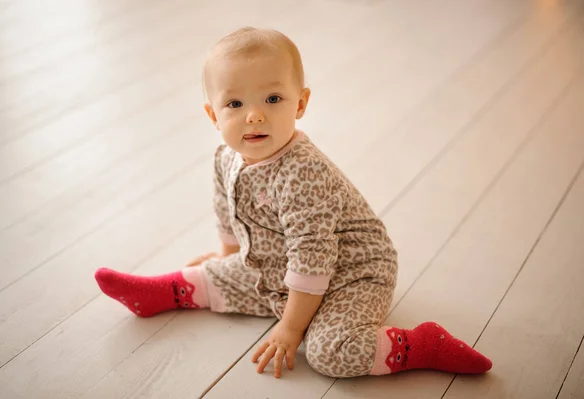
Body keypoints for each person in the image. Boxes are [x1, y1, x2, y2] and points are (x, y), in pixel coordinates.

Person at [94, 27, 492, 379]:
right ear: (212, 114)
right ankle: (160, 292)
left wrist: (289, 328)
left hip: (351, 272)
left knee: (328, 353)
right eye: (234, 104)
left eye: (272, 99)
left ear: (299, 105)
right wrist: (227, 257)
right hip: (282, 263)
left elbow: (313, 260)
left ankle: (420, 344)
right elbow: (227, 210)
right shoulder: (225, 157)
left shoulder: (303, 175)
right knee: (220, 275)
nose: (254, 116)